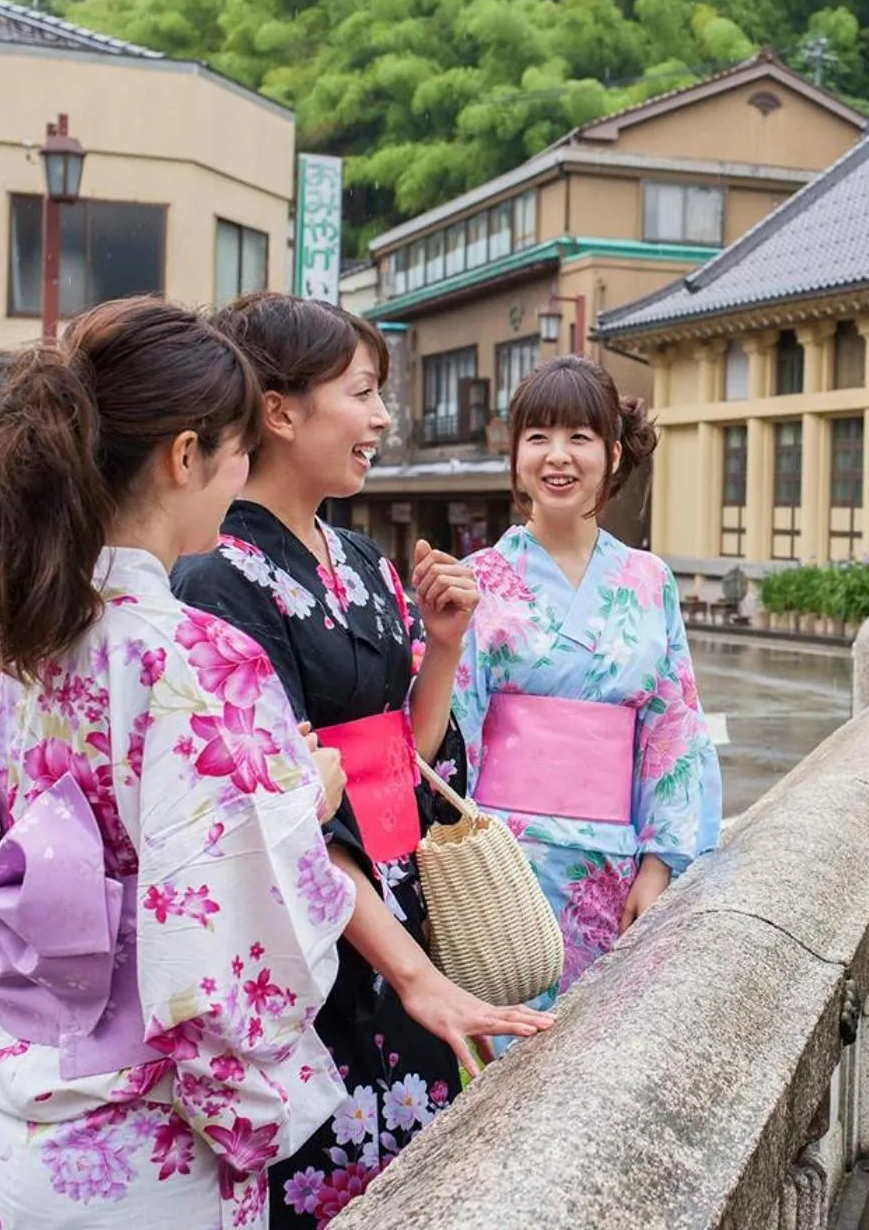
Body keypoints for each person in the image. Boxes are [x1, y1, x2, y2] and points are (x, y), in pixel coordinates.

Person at [0, 298, 358, 1228]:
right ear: (186, 454)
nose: (242, 475)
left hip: (13, 1114)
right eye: (238, 451)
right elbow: (227, 946)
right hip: (141, 1142)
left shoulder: (1, 646)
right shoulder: (192, 657)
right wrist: (305, 803)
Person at [171, 293, 551, 1228]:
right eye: (364, 393)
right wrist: (416, 978)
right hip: (316, 923)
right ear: (282, 411)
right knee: (326, 1168)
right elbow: (288, 809)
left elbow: (407, 758)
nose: (382, 418)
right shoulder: (217, 574)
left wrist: (446, 644)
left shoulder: (360, 557)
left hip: (398, 892)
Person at [453, 355, 721, 1001]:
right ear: (515, 455)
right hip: (503, 870)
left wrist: (659, 866)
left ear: (613, 454)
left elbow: (674, 732)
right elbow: (447, 732)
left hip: (616, 868)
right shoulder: (478, 578)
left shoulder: (649, 581)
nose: (558, 456)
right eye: (538, 436)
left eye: (580, 437)